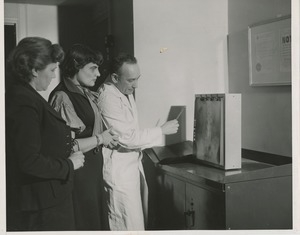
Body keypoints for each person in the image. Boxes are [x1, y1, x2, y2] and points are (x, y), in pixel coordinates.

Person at [5, 37, 85, 231]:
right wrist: (69, 164)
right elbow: (28, 160)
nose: (53, 76)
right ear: (34, 70)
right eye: (51, 70)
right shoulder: (23, 100)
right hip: (42, 204)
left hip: (50, 197)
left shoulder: (29, 96)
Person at [98, 53, 179, 231]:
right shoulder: (107, 97)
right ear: (114, 77)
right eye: (131, 80)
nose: (136, 85)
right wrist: (161, 130)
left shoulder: (123, 92)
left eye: (137, 78)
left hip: (131, 168)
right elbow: (127, 138)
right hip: (119, 173)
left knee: (135, 225)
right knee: (126, 225)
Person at [49, 44, 118, 230]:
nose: (97, 74)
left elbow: (92, 129)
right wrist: (100, 139)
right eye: (92, 68)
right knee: (85, 221)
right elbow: (67, 146)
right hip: (79, 173)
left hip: (93, 168)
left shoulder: (84, 92)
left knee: (95, 219)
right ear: (75, 67)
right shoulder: (63, 96)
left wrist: (107, 138)